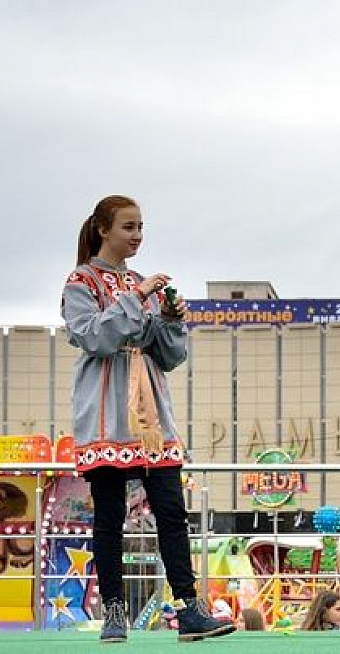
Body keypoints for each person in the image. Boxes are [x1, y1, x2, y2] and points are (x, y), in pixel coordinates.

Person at [61, 195, 235, 644]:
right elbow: (92, 337)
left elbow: (171, 356)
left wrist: (173, 321)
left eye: (141, 227)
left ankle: (189, 608)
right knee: (110, 514)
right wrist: (137, 298)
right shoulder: (81, 281)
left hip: (151, 410)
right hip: (106, 409)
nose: (137, 235)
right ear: (103, 229)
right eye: (128, 227)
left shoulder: (144, 283)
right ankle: (115, 612)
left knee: (172, 511)